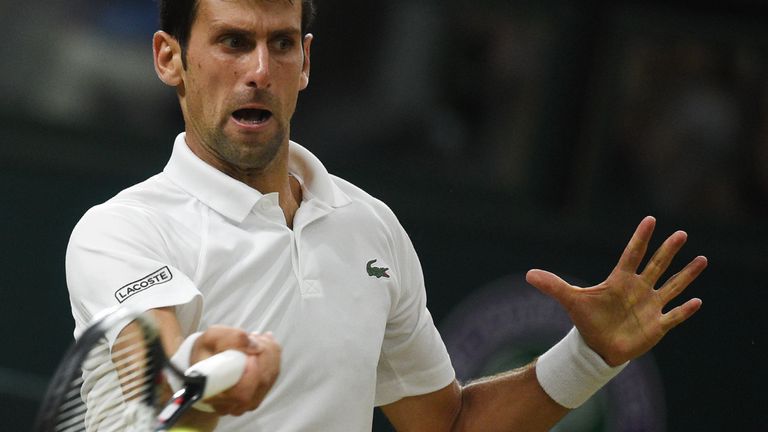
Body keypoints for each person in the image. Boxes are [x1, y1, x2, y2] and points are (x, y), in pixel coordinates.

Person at [64, 0, 708, 430]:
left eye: (281, 44)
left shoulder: (369, 228)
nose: (260, 70)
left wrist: (589, 357)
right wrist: (202, 383)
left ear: (306, 61)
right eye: (233, 42)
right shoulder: (120, 232)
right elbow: (160, 385)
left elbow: (446, 425)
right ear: (169, 58)